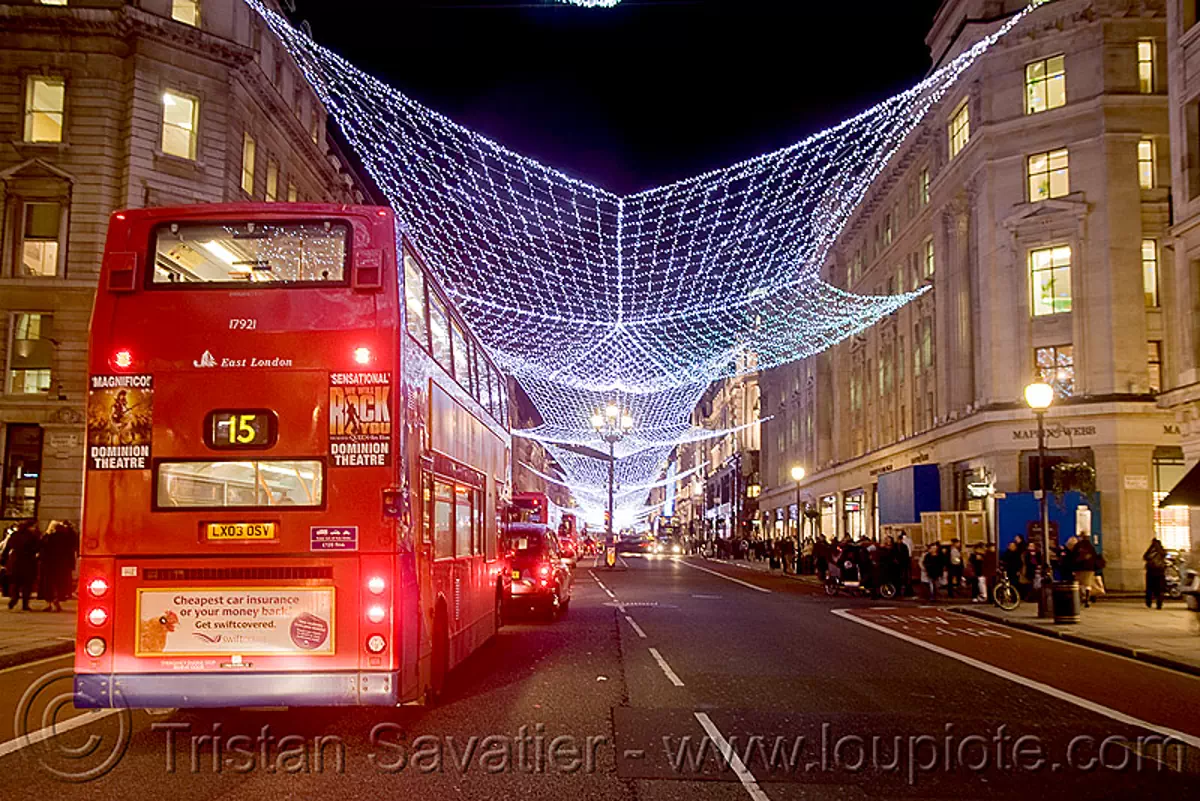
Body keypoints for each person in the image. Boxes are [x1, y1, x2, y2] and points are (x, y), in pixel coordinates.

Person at [38, 520, 78, 612]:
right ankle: (57, 600)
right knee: (59, 583)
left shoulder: (48, 537)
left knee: (48, 584)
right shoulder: (66, 538)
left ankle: (49, 602)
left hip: (48, 564)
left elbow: (42, 549)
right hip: (61, 565)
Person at [2, 519, 42, 611]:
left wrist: (4, 560)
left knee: (15, 583)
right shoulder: (32, 536)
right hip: (28, 562)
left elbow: (7, 548)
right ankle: (25, 604)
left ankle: (14, 598)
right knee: (27, 584)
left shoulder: (14, 535)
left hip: (15, 562)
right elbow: (37, 548)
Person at [1069, 532, 1099, 607]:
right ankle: (1087, 599)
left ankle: (1082, 597)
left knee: (1079, 584)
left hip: (1079, 568)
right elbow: (1095, 557)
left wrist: (1072, 568)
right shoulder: (1091, 547)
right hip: (1090, 569)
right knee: (1088, 584)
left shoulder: (1078, 546)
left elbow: (1073, 557)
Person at [1143, 537, 1168, 610]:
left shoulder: (1151, 551)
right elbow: (1165, 555)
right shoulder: (1161, 551)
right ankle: (1159, 603)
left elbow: (1145, 557)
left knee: (1150, 588)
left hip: (1152, 572)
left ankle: (1149, 602)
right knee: (1159, 589)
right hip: (1159, 572)